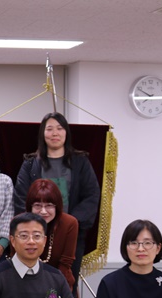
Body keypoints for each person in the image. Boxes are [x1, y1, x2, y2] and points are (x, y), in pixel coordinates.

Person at [13, 112, 100, 285]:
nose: (55, 133)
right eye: (50, 129)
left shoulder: (80, 162)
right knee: (32, 282)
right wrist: (34, 226)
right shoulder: (31, 163)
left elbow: (91, 195)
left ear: (66, 133)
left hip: (70, 235)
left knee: (65, 283)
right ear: (42, 134)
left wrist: (69, 223)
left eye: (60, 129)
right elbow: (21, 197)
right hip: (35, 235)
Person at [18, 179, 78, 291]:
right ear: (29, 207)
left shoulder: (69, 223)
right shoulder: (19, 224)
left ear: (57, 206)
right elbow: (18, 262)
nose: (43, 211)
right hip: (25, 284)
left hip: (60, 284)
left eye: (49, 205)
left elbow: (65, 264)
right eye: (38, 205)